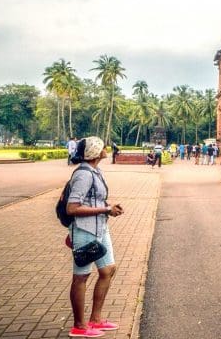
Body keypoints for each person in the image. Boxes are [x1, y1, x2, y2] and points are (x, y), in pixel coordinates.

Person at [66, 136, 124, 338]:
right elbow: (72, 208)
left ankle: (96, 319)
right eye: (102, 146)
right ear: (95, 152)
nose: (106, 148)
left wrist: (107, 207)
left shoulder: (95, 171)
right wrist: (106, 209)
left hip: (100, 228)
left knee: (108, 270)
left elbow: (94, 199)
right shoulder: (83, 174)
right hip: (84, 230)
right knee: (81, 276)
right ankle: (79, 326)